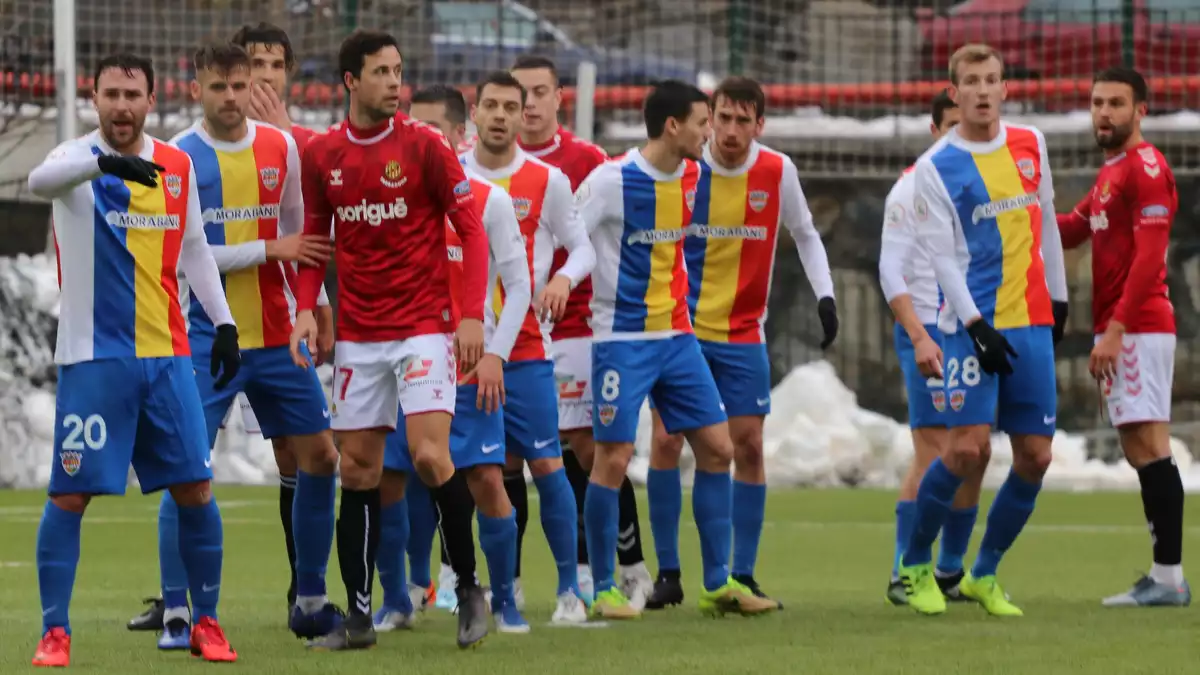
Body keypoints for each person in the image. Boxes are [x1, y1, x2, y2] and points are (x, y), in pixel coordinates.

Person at [27, 52, 241, 666]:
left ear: (152, 100)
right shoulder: (73, 161)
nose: (122, 105)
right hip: (94, 363)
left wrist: (223, 326)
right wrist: (106, 164)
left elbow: (196, 250)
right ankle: (55, 631)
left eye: (133, 95)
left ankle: (207, 623)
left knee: (197, 489)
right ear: (94, 99)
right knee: (71, 497)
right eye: (111, 94)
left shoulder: (176, 166)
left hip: (168, 359)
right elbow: (40, 183)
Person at [290, 30, 491, 651]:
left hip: (424, 327)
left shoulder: (426, 146)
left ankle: (471, 589)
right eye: (381, 72)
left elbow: (471, 229)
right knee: (357, 471)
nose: (394, 83)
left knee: (431, 456)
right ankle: (357, 618)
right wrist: (304, 309)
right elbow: (315, 243)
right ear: (350, 80)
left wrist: (471, 315)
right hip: (359, 337)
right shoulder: (323, 155)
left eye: (398, 71)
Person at [149, 43, 343, 648]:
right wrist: (268, 251)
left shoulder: (279, 146)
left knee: (322, 457)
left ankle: (309, 597)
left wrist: (318, 305)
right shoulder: (178, 156)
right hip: (208, 338)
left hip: (281, 334)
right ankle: (178, 613)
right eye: (219, 87)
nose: (231, 96)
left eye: (240, 85)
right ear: (196, 89)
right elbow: (183, 255)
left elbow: (296, 232)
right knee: (188, 468)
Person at [575, 79, 780, 620]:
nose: (711, 132)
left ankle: (716, 582)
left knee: (719, 449)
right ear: (673, 126)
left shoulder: (694, 174)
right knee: (613, 457)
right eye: (703, 121)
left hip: (678, 338)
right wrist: (560, 282)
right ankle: (601, 588)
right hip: (622, 340)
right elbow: (569, 238)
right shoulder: (610, 181)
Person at [643, 76, 838, 610]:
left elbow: (805, 234)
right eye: (721, 118)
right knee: (665, 441)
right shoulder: (684, 169)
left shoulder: (777, 170)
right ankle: (669, 572)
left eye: (742, 121)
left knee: (748, 445)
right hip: (682, 332)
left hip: (744, 333)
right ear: (710, 117)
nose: (729, 131)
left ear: (760, 125)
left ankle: (743, 572)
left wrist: (826, 296)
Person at [901, 44, 1069, 617]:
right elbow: (944, 260)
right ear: (954, 92)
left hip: (1031, 324)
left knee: (1036, 457)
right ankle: (916, 564)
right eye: (970, 81)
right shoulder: (934, 168)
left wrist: (1062, 299)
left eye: (991, 80)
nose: (981, 90)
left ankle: (985, 572)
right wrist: (975, 324)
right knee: (967, 450)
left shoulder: (1032, 143)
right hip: (969, 326)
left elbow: (1045, 218)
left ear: (1004, 88)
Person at [371, 83, 529, 634]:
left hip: (466, 365)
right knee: (390, 479)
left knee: (487, 476)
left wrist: (496, 356)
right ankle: (395, 598)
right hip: (401, 360)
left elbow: (519, 285)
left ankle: (503, 598)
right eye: (415, 129)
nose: (422, 141)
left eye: (435, 131)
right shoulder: (391, 198)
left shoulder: (488, 200)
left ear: (459, 136)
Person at [509, 54, 651, 607]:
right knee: (517, 457)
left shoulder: (586, 160)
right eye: (520, 92)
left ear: (559, 97)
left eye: (540, 91)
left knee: (593, 450)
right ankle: (512, 582)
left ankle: (626, 565)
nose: (530, 103)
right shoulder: (491, 163)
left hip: (581, 327)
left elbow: (603, 244)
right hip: (517, 333)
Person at [460, 70, 596, 624]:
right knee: (477, 472)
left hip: (526, 350)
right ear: (474, 113)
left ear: (524, 116)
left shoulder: (547, 180)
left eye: (508, 107)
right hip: (463, 354)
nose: (498, 115)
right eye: (488, 105)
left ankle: (569, 590)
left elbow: (582, 247)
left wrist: (564, 278)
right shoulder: (451, 176)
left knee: (546, 463)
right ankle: (476, 590)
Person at [1057, 67, 1189, 607]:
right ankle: (1165, 576)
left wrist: (1115, 330)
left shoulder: (1147, 169)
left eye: (1115, 102)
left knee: (1150, 445)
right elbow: (1071, 229)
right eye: (1096, 102)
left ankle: (1169, 579)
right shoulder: (1111, 174)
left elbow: (1150, 257)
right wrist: (1019, 207)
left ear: (1141, 111)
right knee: (1139, 447)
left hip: (1138, 327)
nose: (1104, 112)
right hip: (1125, 330)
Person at [879, 90, 986, 606]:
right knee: (935, 451)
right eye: (949, 125)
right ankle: (904, 567)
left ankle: (948, 570)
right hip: (926, 329)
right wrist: (919, 334)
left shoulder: (978, 181)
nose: (956, 135)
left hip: (969, 329)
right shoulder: (909, 190)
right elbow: (889, 269)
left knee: (975, 451)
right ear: (935, 128)